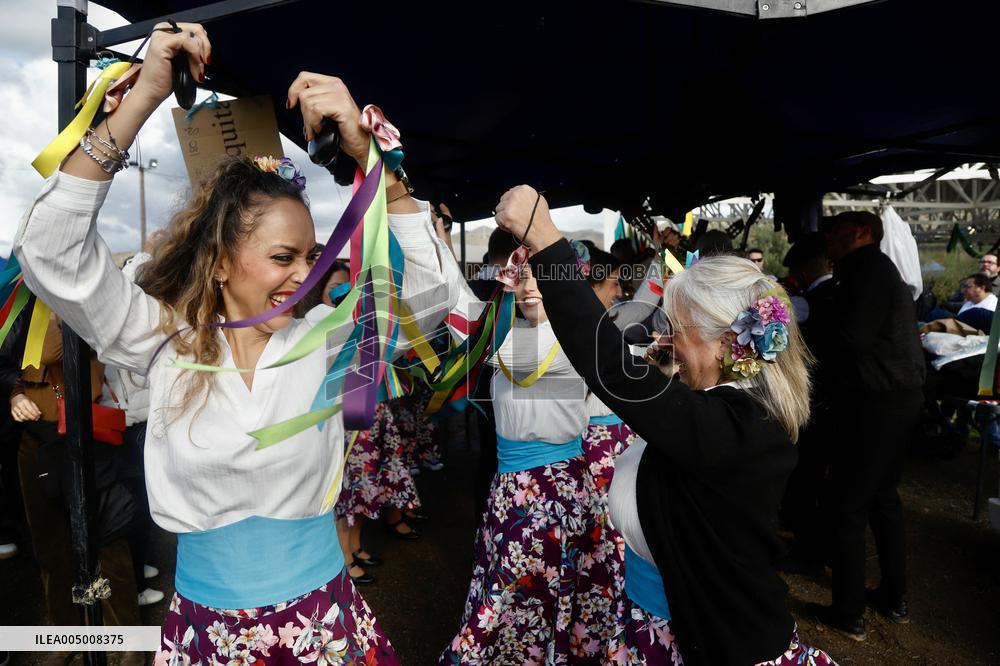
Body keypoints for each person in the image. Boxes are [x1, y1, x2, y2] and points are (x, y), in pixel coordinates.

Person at [16, 24, 452, 664]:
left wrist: (373, 159)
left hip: (322, 630)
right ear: (220, 262)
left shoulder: (326, 345)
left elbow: (435, 301)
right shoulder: (162, 344)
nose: (303, 275)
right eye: (282, 256)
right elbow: (50, 253)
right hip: (207, 635)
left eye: (310, 256)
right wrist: (142, 100)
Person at [492, 185, 836, 666]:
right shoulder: (728, 408)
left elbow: (611, 368)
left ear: (724, 343)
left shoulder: (732, 427)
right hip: (657, 624)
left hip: (710, 641)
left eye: (677, 329)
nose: (666, 339)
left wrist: (545, 238)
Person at [814, 210, 925, 640]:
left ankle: (849, 612)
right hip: (897, 396)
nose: (828, 238)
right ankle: (893, 598)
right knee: (882, 497)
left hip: (872, 401)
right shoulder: (877, 270)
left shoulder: (865, 271)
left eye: (835, 231)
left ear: (862, 233)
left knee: (849, 504)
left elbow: (852, 337)